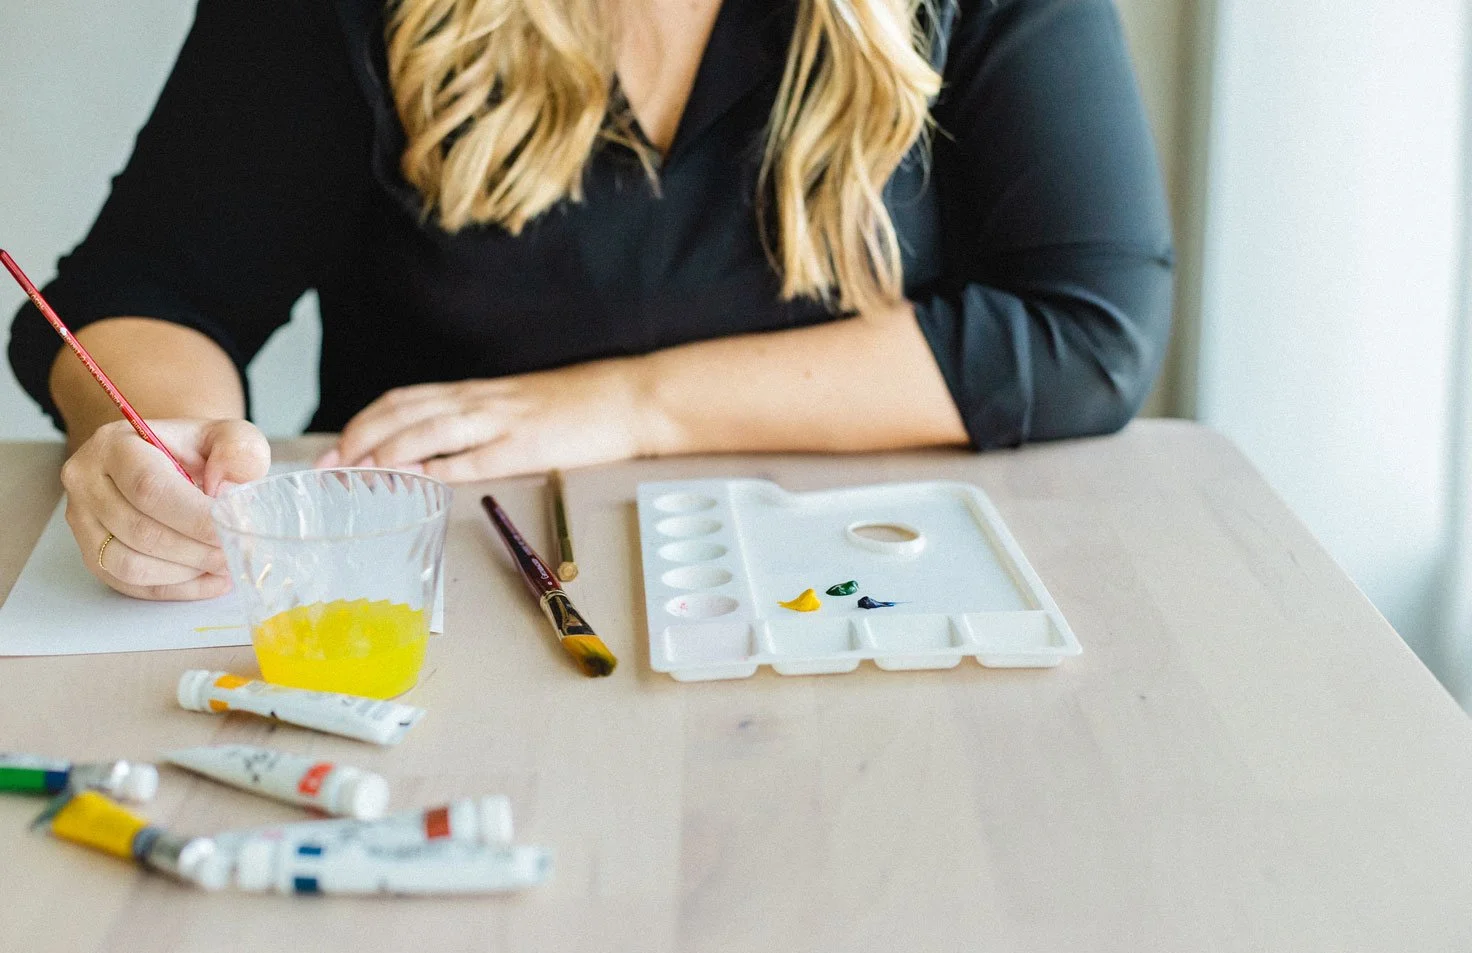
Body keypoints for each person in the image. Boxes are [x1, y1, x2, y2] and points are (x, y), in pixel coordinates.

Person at [8, 0, 1172, 601]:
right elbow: (146, 289)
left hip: (863, 599)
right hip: (436, 619)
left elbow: (1086, 328)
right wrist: (154, 441)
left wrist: (628, 406)